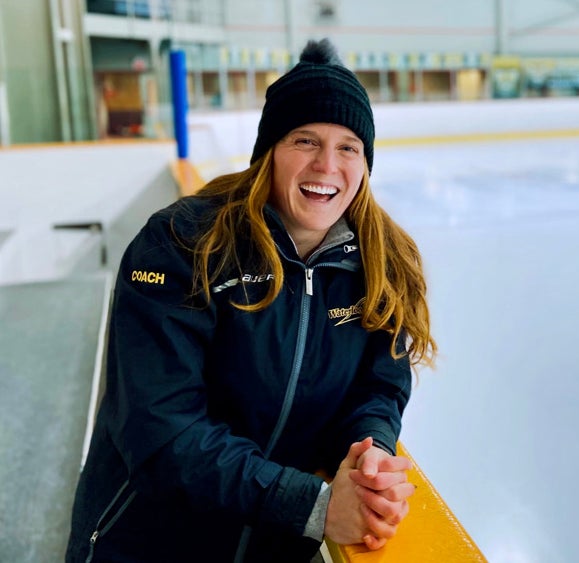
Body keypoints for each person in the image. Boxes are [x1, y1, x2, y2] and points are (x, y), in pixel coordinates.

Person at [66, 38, 436, 563]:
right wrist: (317, 507)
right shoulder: (183, 244)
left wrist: (370, 452)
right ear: (269, 152)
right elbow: (162, 429)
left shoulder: (384, 262)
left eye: (348, 146)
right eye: (305, 140)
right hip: (148, 544)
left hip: (273, 549)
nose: (327, 165)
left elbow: (379, 383)